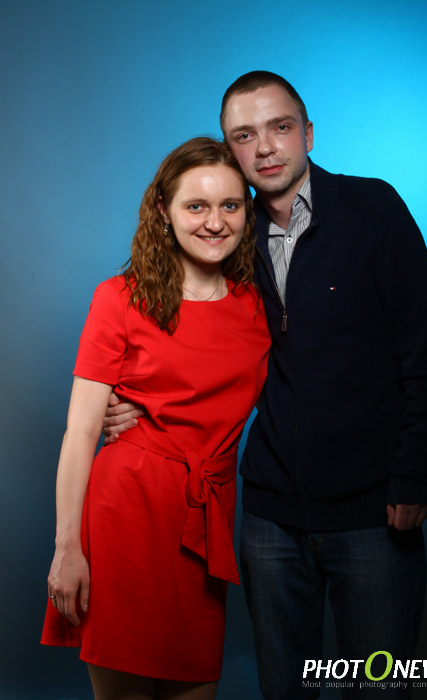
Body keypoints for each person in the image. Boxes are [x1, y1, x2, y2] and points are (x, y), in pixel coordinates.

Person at [104, 73, 427, 699]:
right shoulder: (229, 238)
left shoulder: (372, 212)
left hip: (374, 511)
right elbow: (187, 339)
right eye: (245, 135)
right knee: (285, 690)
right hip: (269, 520)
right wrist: (123, 401)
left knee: (379, 688)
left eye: (280, 127)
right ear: (230, 150)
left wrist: (417, 470)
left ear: (308, 134)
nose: (265, 147)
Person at [41, 136, 271, 700]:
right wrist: (66, 548)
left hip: (205, 522)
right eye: (196, 206)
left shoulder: (257, 304)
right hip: (126, 513)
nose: (215, 222)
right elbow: (81, 432)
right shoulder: (120, 298)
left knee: (196, 685)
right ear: (164, 211)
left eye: (230, 205)